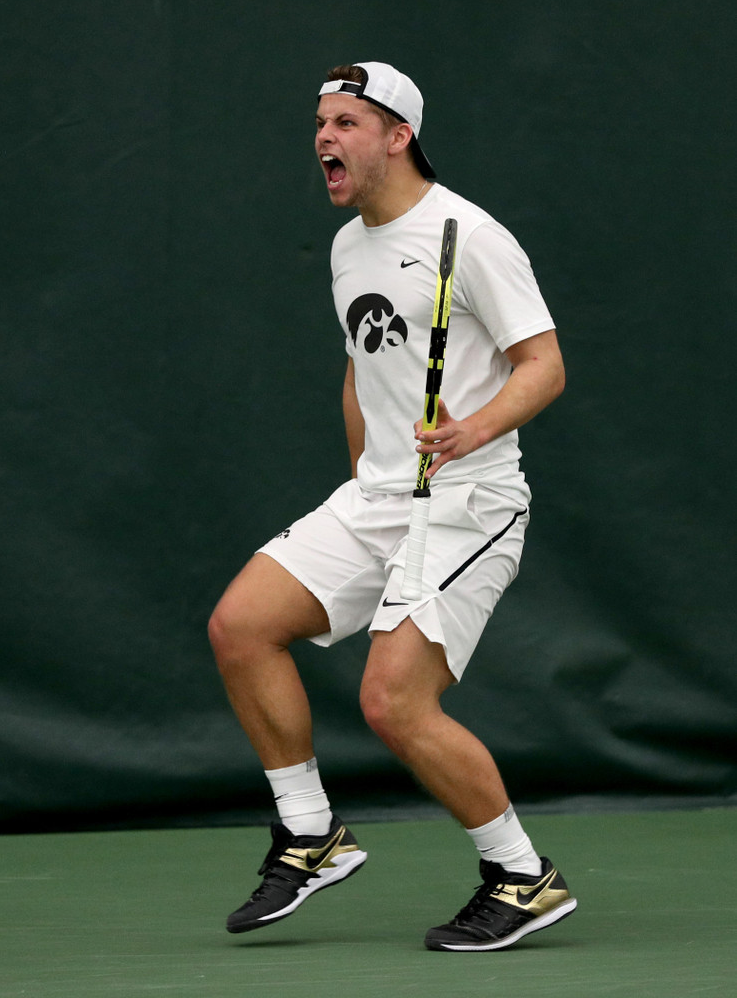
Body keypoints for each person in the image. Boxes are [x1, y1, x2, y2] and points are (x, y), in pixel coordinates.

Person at [208, 61, 576, 951]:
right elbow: (359, 375)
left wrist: (471, 430)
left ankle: (523, 876)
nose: (323, 139)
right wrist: (362, 497)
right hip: (379, 494)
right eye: (321, 123)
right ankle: (310, 833)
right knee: (242, 625)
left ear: (397, 136)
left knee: (394, 703)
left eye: (344, 123)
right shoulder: (348, 246)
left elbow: (546, 365)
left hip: (470, 496)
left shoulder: (470, 236)